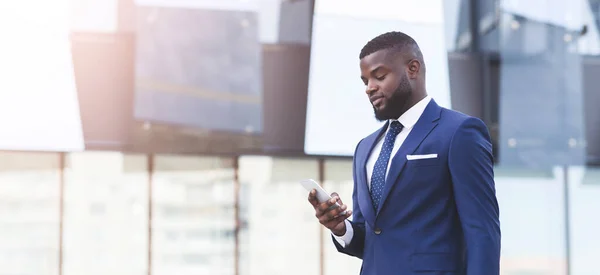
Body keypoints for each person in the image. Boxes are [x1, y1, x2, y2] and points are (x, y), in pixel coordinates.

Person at [308, 31, 501, 275]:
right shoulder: (365, 148)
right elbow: (373, 240)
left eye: (379, 76)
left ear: (412, 68)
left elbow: (482, 231)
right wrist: (340, 228)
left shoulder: (459, 132)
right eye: (365, 81)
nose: (370, 88)